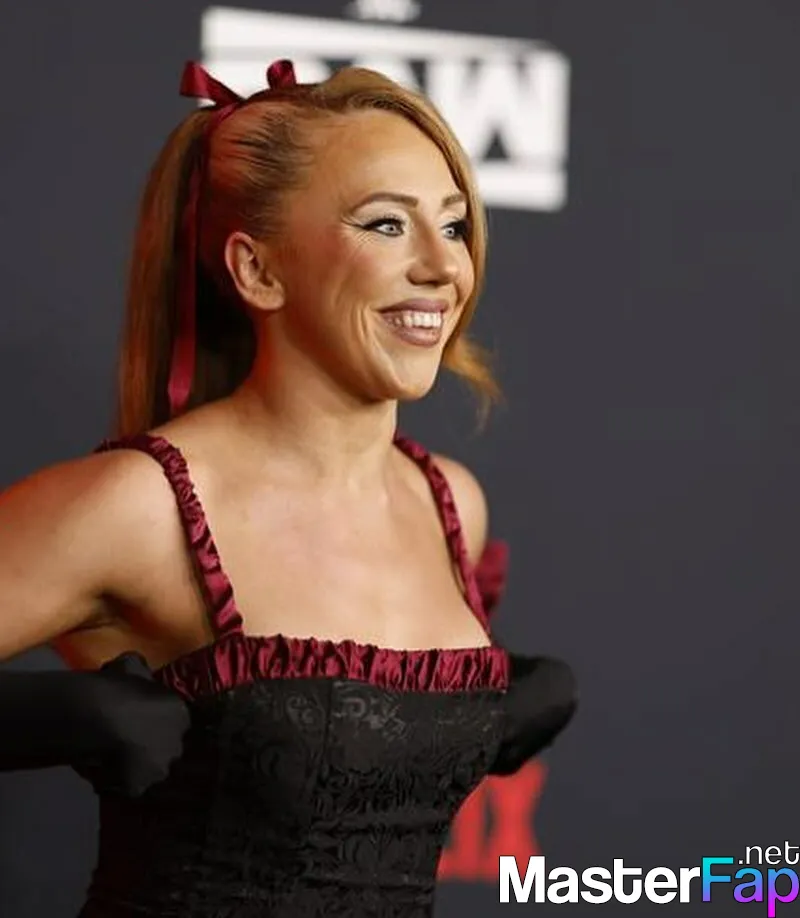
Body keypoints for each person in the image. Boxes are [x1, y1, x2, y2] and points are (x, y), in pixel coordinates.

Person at [0, 58, 577, 916]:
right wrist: (50, 716)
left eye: (454, 226)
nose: (441, 266)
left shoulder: (450, 501)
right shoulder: (141, 505)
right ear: (257, 271)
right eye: (386, 224)